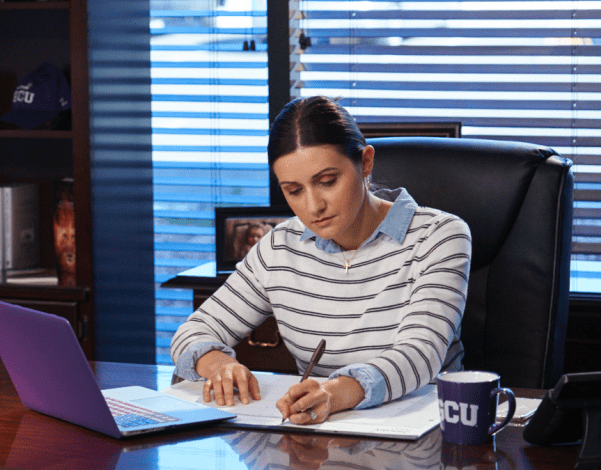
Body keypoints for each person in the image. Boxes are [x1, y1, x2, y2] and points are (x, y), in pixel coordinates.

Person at [170, 95, 471, 425]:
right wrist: (218, 365)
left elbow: (421, 355)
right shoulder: (279, 248)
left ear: (366, 162)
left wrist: (335, 393)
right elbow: (193, 331)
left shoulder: (439, 236)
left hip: (425, 435)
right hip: (319, 431)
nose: (313, 206)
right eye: (294, 190)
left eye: (327, 181)